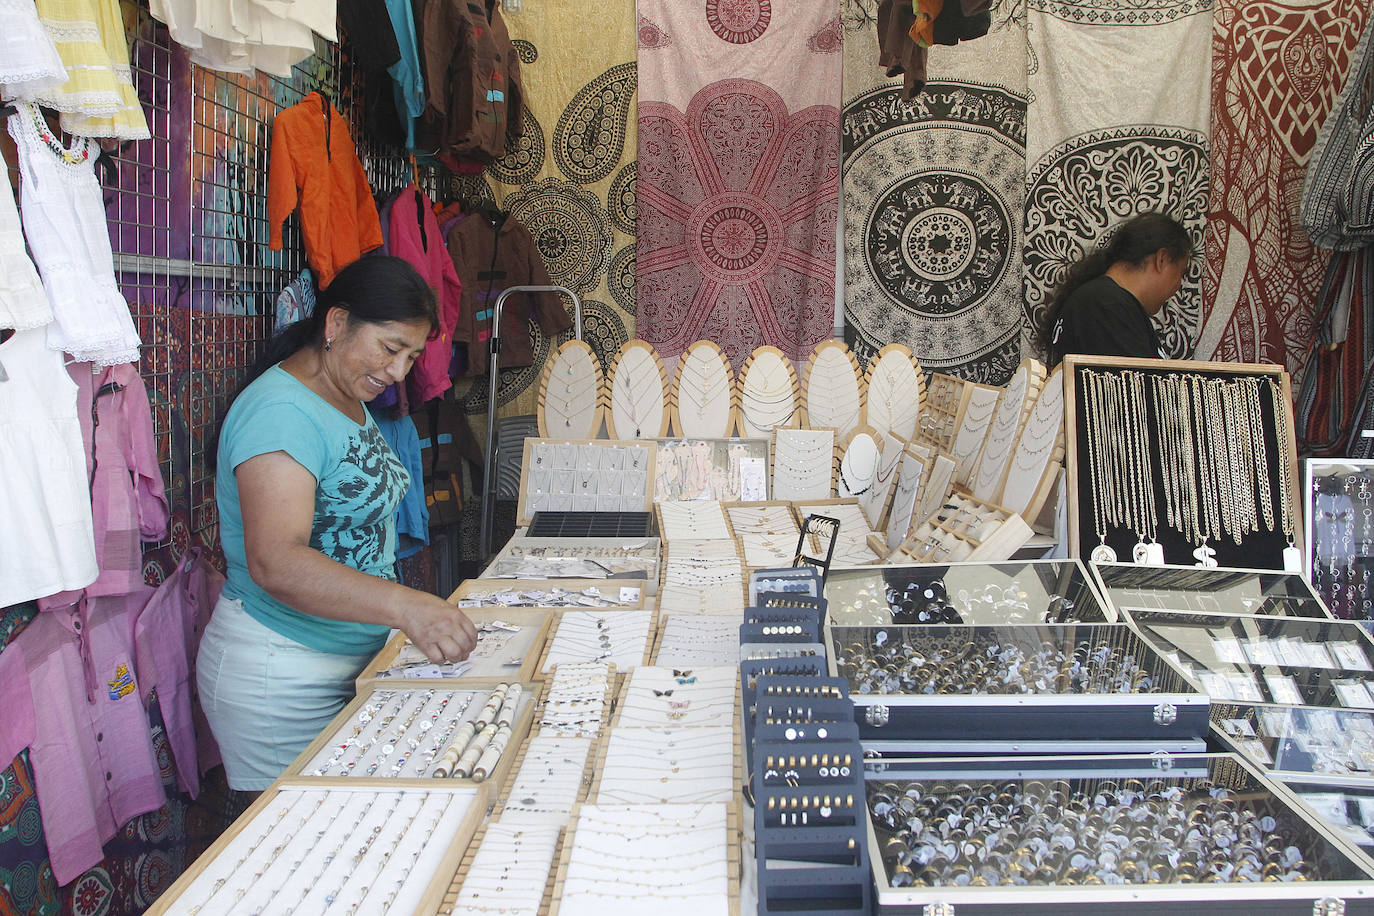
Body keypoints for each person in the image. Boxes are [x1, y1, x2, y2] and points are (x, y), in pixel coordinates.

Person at [197, 255, 477, 791]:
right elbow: (276, 561)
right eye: (391, 349)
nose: (399, 373)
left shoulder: (345, 393)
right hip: (281, 678)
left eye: (412, 356)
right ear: (336, 323)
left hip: (347, 661)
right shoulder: (280, 414)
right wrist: (406, 606)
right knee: (292, 850)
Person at [1040, 212, 1192, 368]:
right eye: (1181, 273)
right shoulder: (1105, 305)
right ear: (1162, 259)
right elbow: (1132, 388)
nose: (1178, 285)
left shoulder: (1103, 302)